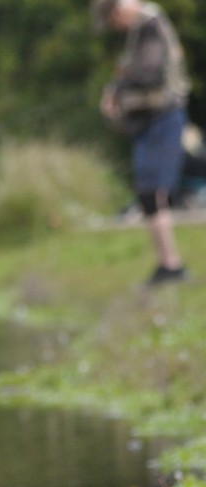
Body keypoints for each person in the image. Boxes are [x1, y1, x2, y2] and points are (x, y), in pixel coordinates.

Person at [94, 0, 190, 285]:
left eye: (113, 21)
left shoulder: (149, 27)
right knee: (148, 194)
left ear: (118, 10)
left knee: (152, 192)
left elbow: (149, 72)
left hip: (163, 118)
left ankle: (171, 266)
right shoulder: (141, 29)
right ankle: (168, 264)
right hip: (151, 120)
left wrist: (118, 90)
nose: (116, 28)